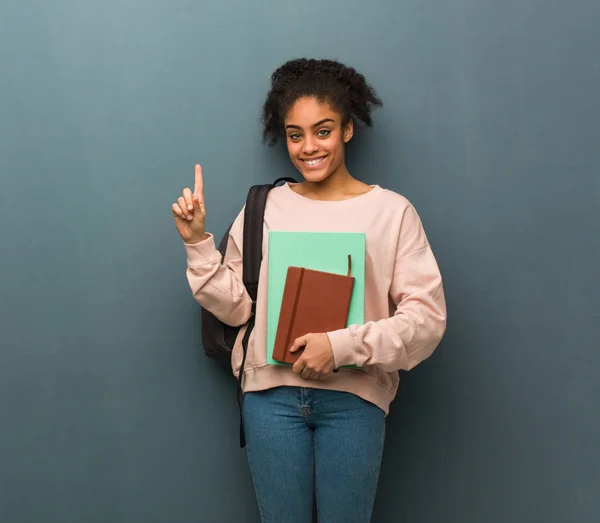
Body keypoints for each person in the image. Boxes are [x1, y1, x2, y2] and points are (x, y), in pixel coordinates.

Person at [172, 58, 446, 523]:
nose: (308, 147)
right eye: (295, 135)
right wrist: (197, 242)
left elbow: (425, 322)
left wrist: (340, 346)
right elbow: (238, 309)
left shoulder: (392, 212)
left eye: (323, 131)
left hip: (354, 400)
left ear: (347, 130)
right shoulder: (264, 206)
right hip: (270, 399)